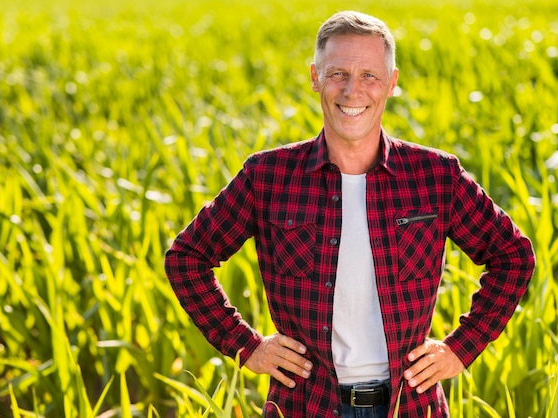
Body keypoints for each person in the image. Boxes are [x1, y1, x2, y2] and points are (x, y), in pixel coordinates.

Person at [164, 10, 535, 418]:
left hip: (408, 406)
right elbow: (187, 257)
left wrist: (460, 350)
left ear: (391, 83)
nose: (352, 91)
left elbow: (512, 255)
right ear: (314, 78)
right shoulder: (268, 176)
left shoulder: (434, 175)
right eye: (337, 73)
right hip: (305, 406)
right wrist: (245, 346)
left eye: (369, 76)